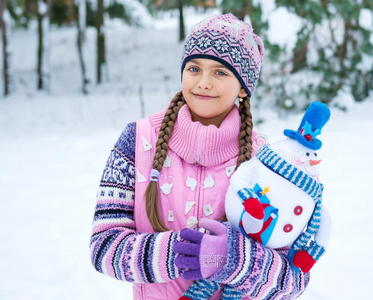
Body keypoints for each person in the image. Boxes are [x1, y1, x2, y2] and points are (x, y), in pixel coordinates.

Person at [89, 13, 310, 300]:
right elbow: (104, 248)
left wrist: (235, 260)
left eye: (220, 72)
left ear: (243, 87)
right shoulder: (137, 141)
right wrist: (182, 252)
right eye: (194, 68)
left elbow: (293, 280)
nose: (203, 82)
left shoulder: (266, 161)